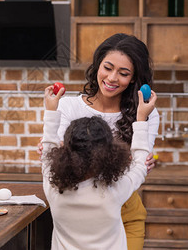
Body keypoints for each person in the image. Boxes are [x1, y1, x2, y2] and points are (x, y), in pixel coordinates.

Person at [39, 33, 160, 249]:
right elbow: (137, 165)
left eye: (123, 73)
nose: (112, 78)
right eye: (108, 67)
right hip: (87, 203)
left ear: (133, 78)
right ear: (98, 66)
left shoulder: (147, 112)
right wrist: (135, 160)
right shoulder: (68, 107)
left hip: (127, 208)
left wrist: (142, 117)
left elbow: (52, 154)